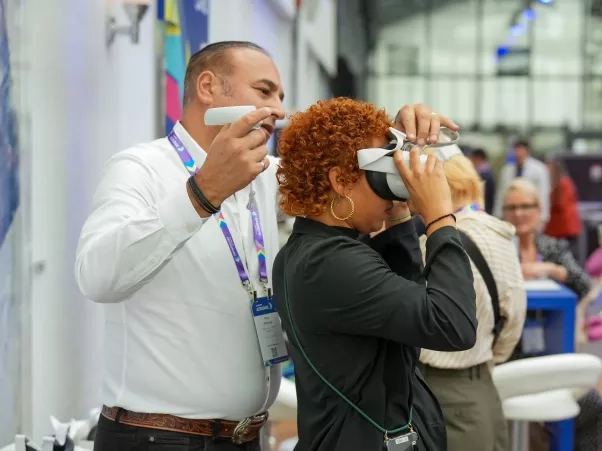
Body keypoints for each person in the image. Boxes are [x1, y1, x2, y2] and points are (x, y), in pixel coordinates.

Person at [74, 40, 454, 451]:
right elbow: (97, 278)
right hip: (156, 440)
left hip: (247, 437)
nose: (279, 110)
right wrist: (201, 194)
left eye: (281, 96)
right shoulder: (140, 168)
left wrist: (395, 138)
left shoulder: (268, 175)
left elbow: (346, 179)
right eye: (264, 91)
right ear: (207, 88)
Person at [271, 97, 477, 451]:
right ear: (340, 180)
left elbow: (406, 327)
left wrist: (397, 213)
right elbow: (453, 325)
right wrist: (440, 218)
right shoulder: (330, 264)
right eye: (381, 172)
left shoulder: (313, 249)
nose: (391, 182)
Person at [417, 144, 526, 451]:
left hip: (442, 388)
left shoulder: (432, 243)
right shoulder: (499, 233)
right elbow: (514, 314)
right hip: (480, 384)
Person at [502, 178, 602, 451]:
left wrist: (550, 270)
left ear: (539, 210)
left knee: (592, 405)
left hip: (549, 351)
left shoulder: (552, 247)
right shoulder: (498, 248)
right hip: (507, 354)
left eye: (526, 206)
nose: (519, 213)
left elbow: (583, 284)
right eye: (511, 207)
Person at [494, 139, 550, 227]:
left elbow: (543, 194)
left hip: (530, 212)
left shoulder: (539, 169)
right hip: (510, 213)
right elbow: (501, 194)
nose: (518, 153)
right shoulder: (507, 170)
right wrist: (497, 215)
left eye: (520, 149)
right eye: (516, 150)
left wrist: (543, 217)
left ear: (527, 151)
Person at [543, 156, 581, 253]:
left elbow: (560, 204)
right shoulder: (558, 183)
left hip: (564, 229)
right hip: (558, 229)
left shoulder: (563, 183)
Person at [468, 147, 496, 213]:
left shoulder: (484, 175)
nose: (472, 162)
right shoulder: (488, 172)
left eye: (473, 159)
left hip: (484, 209)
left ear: (478, 159)